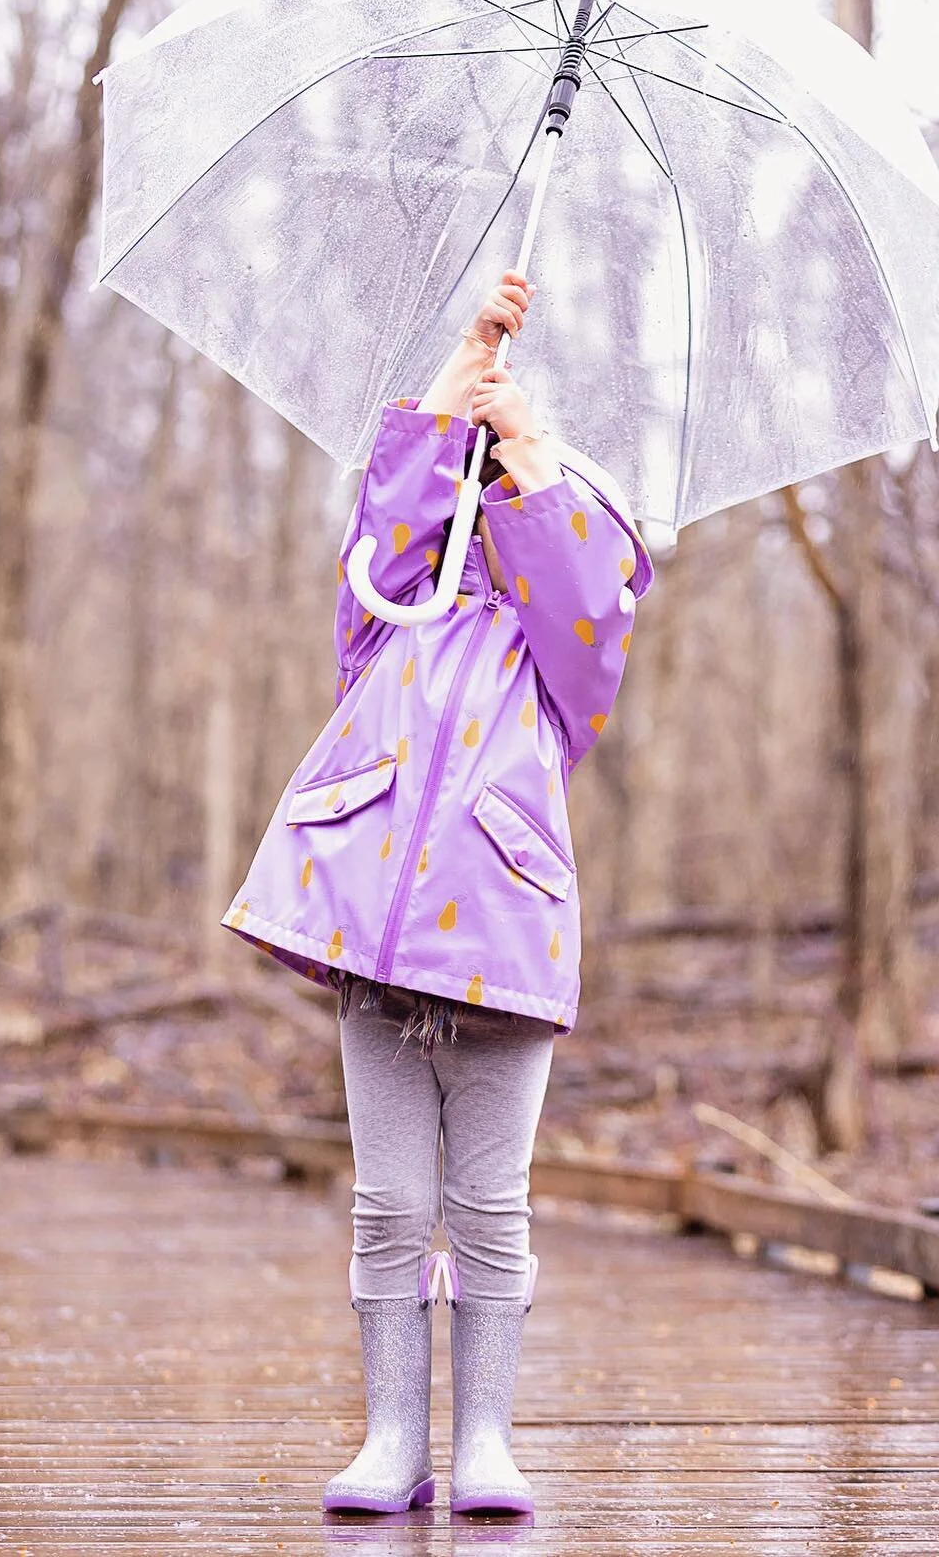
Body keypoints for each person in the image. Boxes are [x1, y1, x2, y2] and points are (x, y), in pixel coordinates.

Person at [222, 269, 653, 1516]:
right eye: (479, 491)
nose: (486, 509)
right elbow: (379, 551)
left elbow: (585, 606)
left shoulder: (554, 655)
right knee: (390, 1202)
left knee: (488, 1202)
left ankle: (486, 1440)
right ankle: (394, 1436)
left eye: (502, 495)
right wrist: (447, 396)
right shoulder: (390, 625)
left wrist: (530, 453)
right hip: (374, 945)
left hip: (501, 948)